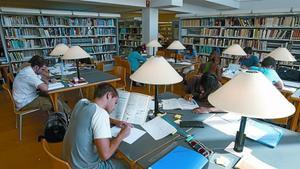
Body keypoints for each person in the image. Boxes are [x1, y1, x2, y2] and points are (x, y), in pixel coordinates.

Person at [62, 83, 131, 169]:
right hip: (84, 167)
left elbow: (90, 118)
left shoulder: (81, 103)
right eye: (115, 102)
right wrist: (121, 135)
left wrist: (114, 121)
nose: (114, 107)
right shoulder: (101, 114)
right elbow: (105, 155)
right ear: (109, 95)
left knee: (113, 152)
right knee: (126, 165)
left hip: (66, 163)